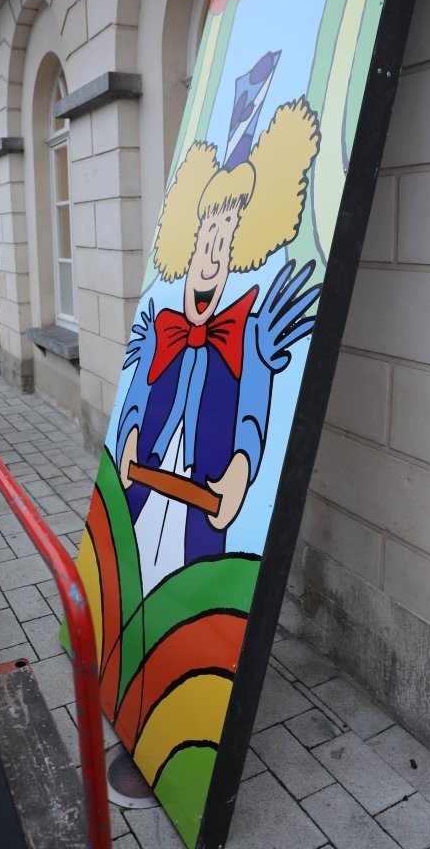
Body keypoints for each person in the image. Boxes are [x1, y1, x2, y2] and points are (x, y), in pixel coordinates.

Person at [115, 53, 322, 594]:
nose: (212, 250)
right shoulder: (161, 325)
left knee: (189, 594)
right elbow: (138, 390)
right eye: (207, 231)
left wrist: (240, 469)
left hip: (203, 505)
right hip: (142, 488)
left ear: (242, 245)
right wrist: (130, 432)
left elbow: (254, 411)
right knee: (128, 579)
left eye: (227, 234)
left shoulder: (249, 333)